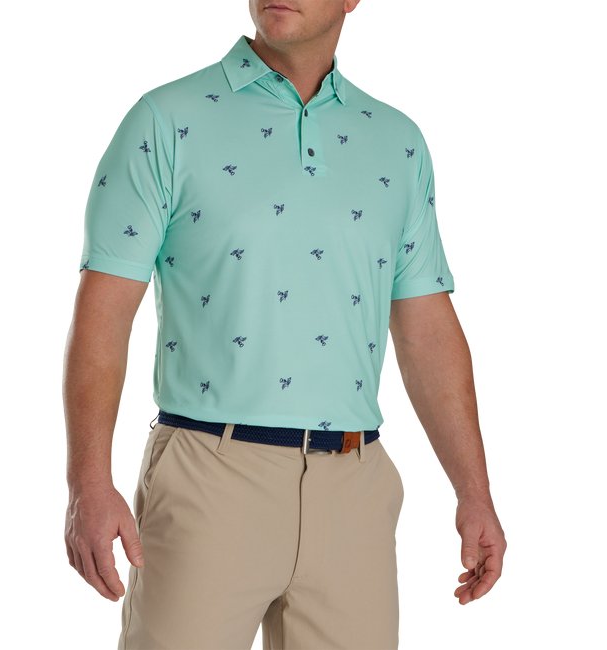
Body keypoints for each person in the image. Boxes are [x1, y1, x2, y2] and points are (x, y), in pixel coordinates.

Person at [63, 1, 507, 648]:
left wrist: (475, 492)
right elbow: (103, 313)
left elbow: (426, 328)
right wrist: (87, 482)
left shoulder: (398, 142)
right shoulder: (166, 121)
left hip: (355, 488)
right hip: (208, 476)